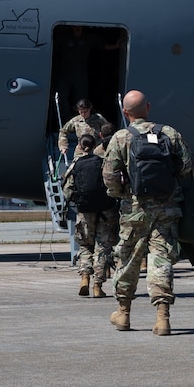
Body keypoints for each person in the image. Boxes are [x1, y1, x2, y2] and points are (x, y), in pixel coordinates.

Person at [102, 91, 194, 335]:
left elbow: (109, 176)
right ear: (149, 108)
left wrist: (120, 193)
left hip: (134, 211)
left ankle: (123, 314)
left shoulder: (121, 137)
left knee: (129, 259)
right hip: (167, 209)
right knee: (161, 260)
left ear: (125, 112)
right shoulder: (169, 133)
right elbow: (187, 168)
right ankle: (162, 318)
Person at [67, 125, 119, 297]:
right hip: (106, 210)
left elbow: (67, 188)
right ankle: (98, 286)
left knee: (85, 245)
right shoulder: (102, 162)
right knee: (102, 246)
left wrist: (77, 202)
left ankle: (84, 278)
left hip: (85, 210)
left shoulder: (76, 164)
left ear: (80, 147)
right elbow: (113, 183)